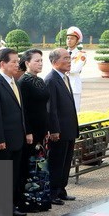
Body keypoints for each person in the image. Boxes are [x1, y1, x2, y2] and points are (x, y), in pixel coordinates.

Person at [0, 48, 30, 216]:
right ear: (2, 64)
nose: (17, 64)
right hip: (3, 141)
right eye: (13, 61)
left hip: (17, 139)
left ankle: (9, 206)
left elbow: (20, 111)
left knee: (13, 175)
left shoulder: (14, 82)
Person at [17, 49, 51, 212]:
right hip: (30, 133)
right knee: (30, 167)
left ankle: (42, 199)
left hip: (42, 131)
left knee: (41, 167)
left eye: (41, 60)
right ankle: (29, 201)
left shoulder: (41, 80)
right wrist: (28, 131)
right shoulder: (23, 82)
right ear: (27, 63)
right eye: (36, 61)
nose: (40, 63)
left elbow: (44, 107)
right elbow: (24, 110)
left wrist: (48, 128)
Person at [45, 48, 79, 206]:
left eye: (69, 58)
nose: (69, 61)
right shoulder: (51, 79)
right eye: (65, 58)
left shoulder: (64, 77)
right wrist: (54, 129)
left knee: (66, 162)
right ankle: (52, 192)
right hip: (59, 130)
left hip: (69, 128)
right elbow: (51, 108)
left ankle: (61, 190)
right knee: (57, 162)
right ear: (54, 62)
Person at [64, 26, 86, 112]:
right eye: (68, 38)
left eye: (72, 38)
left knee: (74, 112)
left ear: (77, 41)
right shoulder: (61, 53)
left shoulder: (81, 54)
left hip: (74, 86)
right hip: (62, 85)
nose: (69, 40)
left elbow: (75, 69)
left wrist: (61, 67)